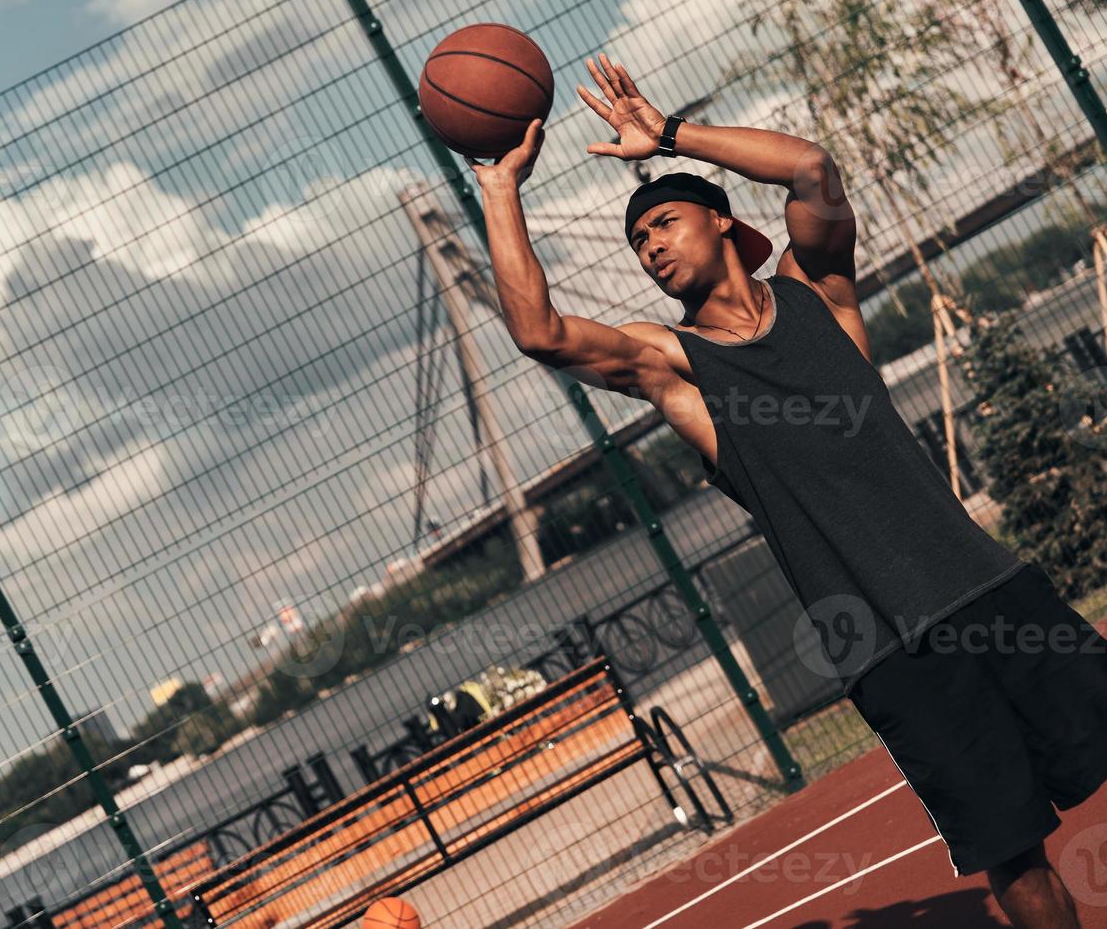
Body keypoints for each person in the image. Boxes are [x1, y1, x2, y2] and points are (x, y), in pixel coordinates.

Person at [466, 52, 1107, 928]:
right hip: (895, 657)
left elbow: (811, 168)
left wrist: (670, 137)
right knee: (1014, 854)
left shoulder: (821, 298)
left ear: (725, 223)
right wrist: (501, 191)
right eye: (638, 241)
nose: (650, 245)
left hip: (985, 584)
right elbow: (539, 332)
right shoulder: (679, 370)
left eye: (664, 222)